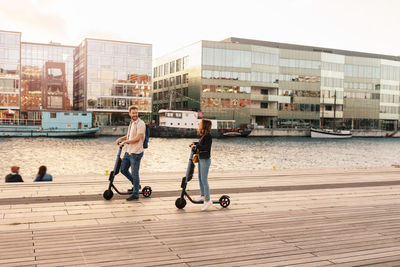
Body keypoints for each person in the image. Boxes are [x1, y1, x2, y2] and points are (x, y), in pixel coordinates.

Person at [115, 105, 146, 201]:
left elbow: (137, 138)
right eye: (133, 113)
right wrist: (121, 138)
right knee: (123, 170)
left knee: (135, 173)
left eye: (136, 113)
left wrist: (125, 142)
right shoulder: (132, 123)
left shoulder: (141, 123)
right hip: (128, 151)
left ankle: (136, 193)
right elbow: (129, 136)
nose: (135, 114)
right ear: (130, 114)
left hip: (136, 152)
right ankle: (136, 185)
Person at [190, 119, 213, 211]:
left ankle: (207, 200)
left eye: (200, 124)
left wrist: (197, 146)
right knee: (200, 177)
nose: (199, 125)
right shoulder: (204, 136)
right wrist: (194, 143)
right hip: (201, 159)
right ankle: (203, 195)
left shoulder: (208, 136)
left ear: (204, 126)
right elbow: (200, 144)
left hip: (205, 160)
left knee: (204, 179)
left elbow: (206, 147)